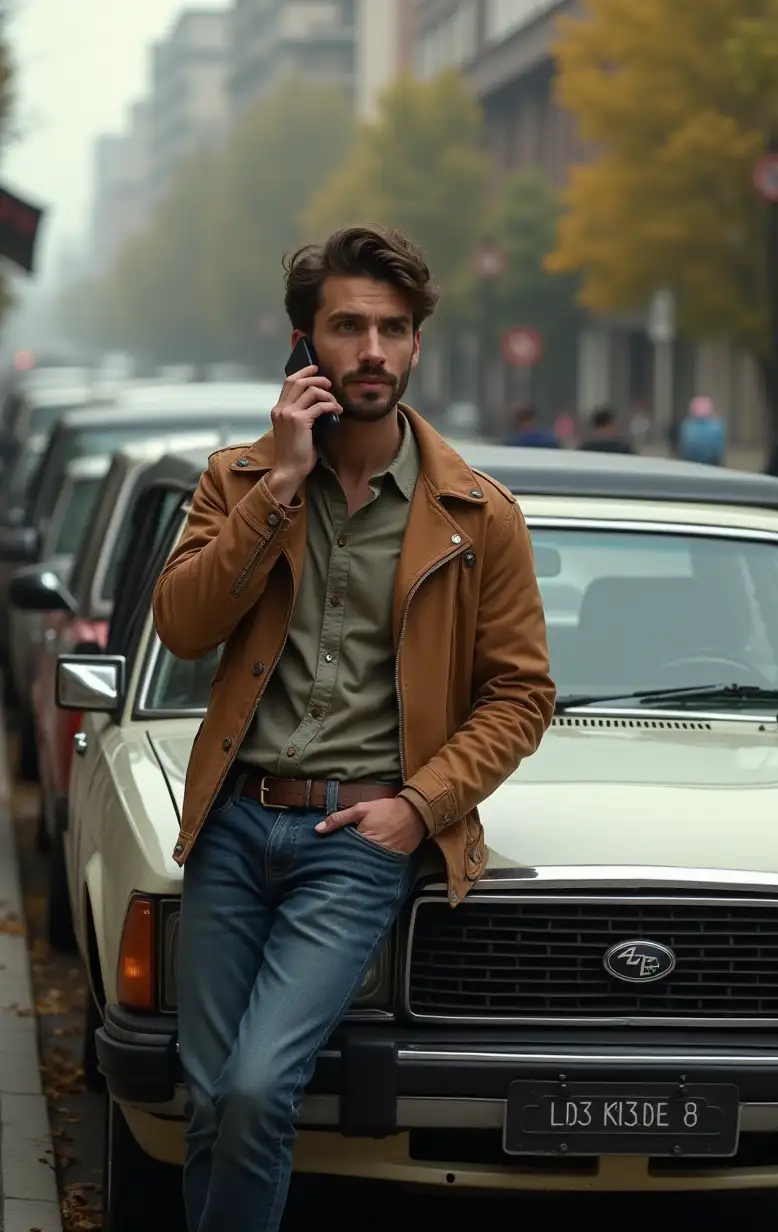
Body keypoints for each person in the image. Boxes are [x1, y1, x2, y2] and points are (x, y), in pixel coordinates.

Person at [152, 225, 556, 1232]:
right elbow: (185, 622)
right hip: (235, 825)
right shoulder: (238, 480)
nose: (370, 349)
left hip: (357, 842)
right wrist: (279, 483)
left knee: (253, 1087)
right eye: (347, 327)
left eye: (391, 328)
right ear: (305, 345)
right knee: (206, 1098)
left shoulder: (477, 513)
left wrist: (419, 808)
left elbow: (519, 693)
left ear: (416, 345)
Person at [678, 395, 727, 466]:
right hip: (709, 461)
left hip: (693, 461)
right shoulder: (716, 425)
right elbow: (719, 447)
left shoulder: (688, 425)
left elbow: (685, 444)